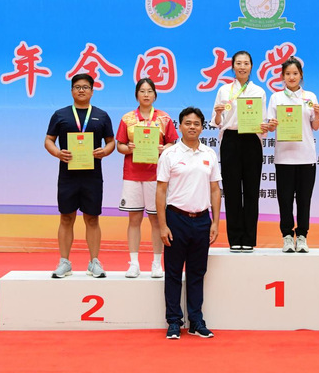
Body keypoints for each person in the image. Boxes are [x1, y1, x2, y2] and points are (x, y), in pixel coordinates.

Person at [156, 107, 221, 339]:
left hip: (202, 220)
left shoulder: (209, 154)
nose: (192, 127)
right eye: (187, 123)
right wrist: (162, 225)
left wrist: (215, 222)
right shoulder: (170, 154)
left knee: (197, 272)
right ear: (180, 126)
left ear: (202, 127)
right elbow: (160, 191)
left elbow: (215, 189)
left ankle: (196, 321)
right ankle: (174, 321)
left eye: (196, 123)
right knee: (173, 272)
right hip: (176, 219)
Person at [44, 73, 115, 278]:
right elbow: (48, 140)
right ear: (71, 91)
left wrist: (105, 151)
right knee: (66, 217)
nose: (81, 90)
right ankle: (64, 262)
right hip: (68, 175)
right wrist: (58, 153)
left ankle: (94, 262)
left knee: (92, 218)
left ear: (92, 91)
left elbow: (111, 142)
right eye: (77, 87)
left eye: (85, 87)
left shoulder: (101, 115)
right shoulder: (60, 115)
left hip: (92, 175)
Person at [116, 78, 178, 278]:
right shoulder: (127, 118)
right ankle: (134, 263)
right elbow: (119, 146)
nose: (146, 94)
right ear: (137, 95)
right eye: (142, 91)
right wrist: (129, 148)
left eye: (149, 91)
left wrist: (163, 148)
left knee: (156, 220)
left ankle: (156, 263)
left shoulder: (164, 118)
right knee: (134, 219)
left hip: (156, 176)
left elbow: (173, 143)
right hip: (132, 175)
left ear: (155, 95)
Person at [210, 50, 268, 253]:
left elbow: (263, 121)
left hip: (252, 140)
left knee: (251, 190)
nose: (242, 67)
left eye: (246, 63)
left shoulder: (259, 91)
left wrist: (265, 126)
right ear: (232, 66)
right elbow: (217, 122)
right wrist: (218, 113)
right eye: (239, 63)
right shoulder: (224, 90)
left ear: (251, 67)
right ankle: (235, 238)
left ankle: (249, 238)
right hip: (231, 139)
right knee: (232, 190)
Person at [267, 57, 319, 253]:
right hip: (284, 158)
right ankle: (287, 237)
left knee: (304, 200)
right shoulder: (276, 98)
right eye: (288, 74)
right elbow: (270, 126)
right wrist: (272, 124)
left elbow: (315, 126)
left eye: (295, 73)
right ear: (282, 76)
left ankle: (302, 236)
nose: (291, 77)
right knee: (285, 200)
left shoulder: (310, 97)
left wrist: (317, 114)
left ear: (301, 75)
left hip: (306, 157)